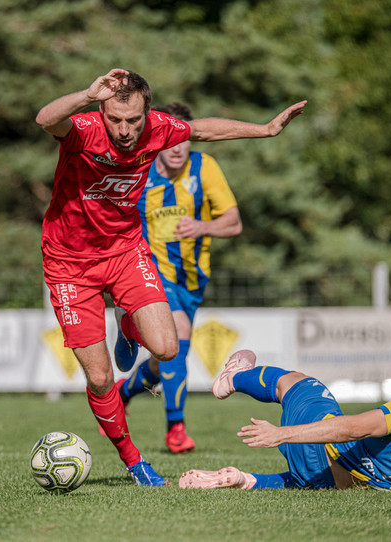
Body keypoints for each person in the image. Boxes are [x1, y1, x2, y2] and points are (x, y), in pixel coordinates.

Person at [35, 68, 305, 486]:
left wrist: (265, 129)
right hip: (69, 263)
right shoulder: (85, 129)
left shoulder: (159, 128)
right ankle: (134, 461)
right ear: (102, 112)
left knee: (167, 348)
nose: (124, 130)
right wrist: (87, 94)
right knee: (101, 378)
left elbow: (203, 130)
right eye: (115, 119)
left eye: (133, 120)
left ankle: (127, 325)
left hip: (125, 250)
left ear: (147, 113)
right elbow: (46, 118)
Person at [179, 349, 391, 491]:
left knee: (300, 384)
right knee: (309, 480)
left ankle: (233, 378)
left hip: (320, 450)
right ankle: (245, 480)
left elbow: (355, 427)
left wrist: (282, 434)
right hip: (333, 483)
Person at [112, 102, 243, 454]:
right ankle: (176, 429)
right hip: (150, 271)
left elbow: (233, 222)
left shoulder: (204, 167)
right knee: (179, 334)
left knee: (166, 354)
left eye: (183, 140)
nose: (177, 148)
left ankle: (125, 392)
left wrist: (202, 226)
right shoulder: (140, 170)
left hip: (192, 278)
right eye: (169, 141)